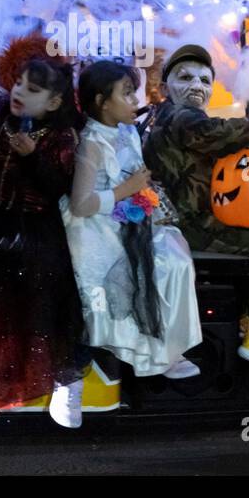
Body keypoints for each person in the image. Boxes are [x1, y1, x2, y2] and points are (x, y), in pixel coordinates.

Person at [0, 53, 89, 427]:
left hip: (37, 232)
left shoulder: (60, 136)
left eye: (34, 89)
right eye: (20, 83)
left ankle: (60, 382)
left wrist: (33, 157)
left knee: (40, 300)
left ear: (54, 102)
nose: (21, 92)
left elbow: (59, 187)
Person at [143, 44, 249, 362]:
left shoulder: (162, 114)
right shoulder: (183, 117)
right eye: (186, 78)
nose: (197, 86)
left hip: (177, 220)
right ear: (166, 87)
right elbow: (214, 133)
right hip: (192, 225)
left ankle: (248, 316)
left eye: (205, 81)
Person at [63, 60, 202, 380]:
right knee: (160, 265)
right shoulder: (92, 144)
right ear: (101, 101)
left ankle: (170, 346)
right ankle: (152, 349)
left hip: (127, 216)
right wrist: (128, 190)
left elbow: (137, 178)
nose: (136, 102)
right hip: (99, 227)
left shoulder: (127, 132)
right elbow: (81, 204)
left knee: (177, 257)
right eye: (127, 94)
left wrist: (145, 200)